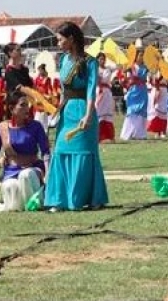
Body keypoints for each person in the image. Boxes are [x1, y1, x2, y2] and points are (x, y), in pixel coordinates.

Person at [43, 22, 109, 212]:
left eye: (60, 39)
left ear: (71, 39)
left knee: (84, 153)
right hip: (66, 112)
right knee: (61, 151)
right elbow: (64, 90)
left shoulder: (90, 62)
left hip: (82, 110)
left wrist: (88, 115)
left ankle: (88, 199)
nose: (58, 43)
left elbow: (90, 90)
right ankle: (59, 200)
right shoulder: (63, 60)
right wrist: (57, 109)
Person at [0, 90, 50, 212]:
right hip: (11, 171)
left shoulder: (36, 126)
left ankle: (36, 205)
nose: (27, 108)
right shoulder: (1, 129)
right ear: (11, 108)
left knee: (26, 175)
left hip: (33, 169)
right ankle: (19, 206)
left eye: (27, 104)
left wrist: (48, 173)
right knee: (10, 187)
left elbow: (46, 152)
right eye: (22, 105)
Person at [120, 50, 148, 140]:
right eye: (140, 55)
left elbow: (154, 71)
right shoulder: (131, 66)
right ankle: (127, 134)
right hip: (133, 90)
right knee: (132, 111)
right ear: (136, 56)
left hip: (143, 90)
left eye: (143, 55)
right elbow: (123, 72)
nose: (141, 57)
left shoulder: (145, 67)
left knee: (142, 111)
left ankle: (140, 134)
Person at [95, 53, 116, 143]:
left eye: (103, 59)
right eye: (100, 59)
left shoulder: (108, 69)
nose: (102, 61)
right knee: (99, 114)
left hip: (106, 93)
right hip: (98, 92)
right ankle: (98, 137)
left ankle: (111, 136)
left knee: (107, 114)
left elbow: (116, 67)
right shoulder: (95, 70)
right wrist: (97, 76)